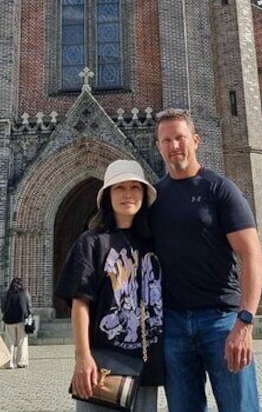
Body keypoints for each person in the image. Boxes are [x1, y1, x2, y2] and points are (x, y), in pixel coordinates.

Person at [149, 108, 262, 412]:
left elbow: (252, 254)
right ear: (158, 146)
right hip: (173, 322)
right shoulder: (153, 197)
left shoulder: (220, 189)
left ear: (196, 140)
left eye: (180, 137)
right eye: (166, 140)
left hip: (221, 320)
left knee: (240, 408)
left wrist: (245, 322)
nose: (174, 145)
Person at [56, 159, 164, 412]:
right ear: (107, 196)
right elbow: (80, 302)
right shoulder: (92, 242)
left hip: (146, 363)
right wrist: (83, 357)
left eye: (135, 188)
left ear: (144, 195)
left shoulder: (154, 241)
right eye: (119, 188)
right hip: (103, 366)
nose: (128, 194)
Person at [1, 277, 33, 368]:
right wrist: (29, 315)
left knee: (9, 341)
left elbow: (3, 307)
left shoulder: (7, 294)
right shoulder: (24, 293)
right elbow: (29, 305)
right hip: (21, 320)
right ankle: (21, 362)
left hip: (9, 320)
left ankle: (9, 363)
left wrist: (5, 314)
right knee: (21, 341)